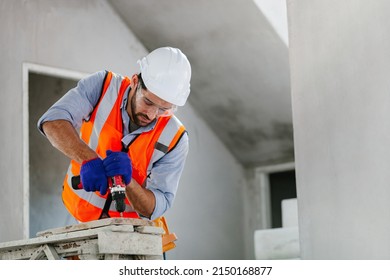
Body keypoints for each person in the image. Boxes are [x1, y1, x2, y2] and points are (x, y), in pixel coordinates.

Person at [37, 47, 191, 255]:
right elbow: (52, 121)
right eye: (148, 102)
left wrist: (129, 182)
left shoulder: (176, 138)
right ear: (135, 82)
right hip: (82, 230)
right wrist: (88, 159)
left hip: (136, 242)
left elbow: (156, 206)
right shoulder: (103, 87)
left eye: (164, 109)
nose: (153, 114)